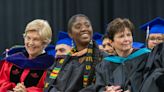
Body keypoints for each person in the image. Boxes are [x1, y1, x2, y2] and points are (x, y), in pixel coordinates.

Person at [44, 14, 108, 92]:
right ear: (70, 34)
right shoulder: (60, 62)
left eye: (87, 25)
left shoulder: (102, 58)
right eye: (78, 27)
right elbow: (50, 86)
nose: (84, 29)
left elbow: (98, 86)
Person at [94, 18, 150, 92]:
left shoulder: (146, 57)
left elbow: (151, 82)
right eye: (121, 36)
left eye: (128, 35)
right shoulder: (105, 65)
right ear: (111, 42)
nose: (126, 39)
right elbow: (99, 87)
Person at [0, 19, 54, 92]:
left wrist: (26, 91)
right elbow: (1, 80)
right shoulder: (12, 60)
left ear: (45, 43)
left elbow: (48, 89)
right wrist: (14, 87)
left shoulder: (50, 67)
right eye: (28, 38)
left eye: (36, 39)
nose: (30, 43)